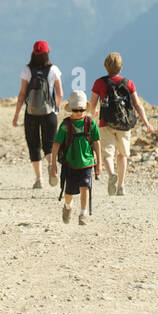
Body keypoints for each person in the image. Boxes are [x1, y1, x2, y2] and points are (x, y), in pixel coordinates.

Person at [89, 52, 154, 196]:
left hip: (105, 122)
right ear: (121, 66)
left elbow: (92, 104)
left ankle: (112, 173)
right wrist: (146, 123)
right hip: (124, 124)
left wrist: (92, 115)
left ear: (106, 66)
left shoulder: (99, 82)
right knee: (122, 154)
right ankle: (121, 186)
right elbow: (137, 104)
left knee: (107, 154)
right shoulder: (128, 83)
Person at [11, 40, 63, 189]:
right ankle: (51, 165)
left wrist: (16, 115)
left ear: (33, 53)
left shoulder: (27, 70)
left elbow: (22, 94)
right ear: (47, 53)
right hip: (49, 113)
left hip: (31, 112)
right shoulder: (53, 70)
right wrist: (56, 109)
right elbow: (60, 93)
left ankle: (39, 179)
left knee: (33, 145)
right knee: (49, 145)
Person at [49, 91, 101, 225]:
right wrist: (53, 164)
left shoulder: (91, 123)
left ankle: (83, 214)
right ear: (71, 109)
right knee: (69, 192)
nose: (78, 112)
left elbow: (97, 143)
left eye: (81, 109)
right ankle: (68, 206)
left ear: (85, 108)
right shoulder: (65, 125)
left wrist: (99, 164)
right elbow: (56, 144)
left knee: (85, 187)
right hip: (70, 163)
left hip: (87, 162)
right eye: (75, 109)